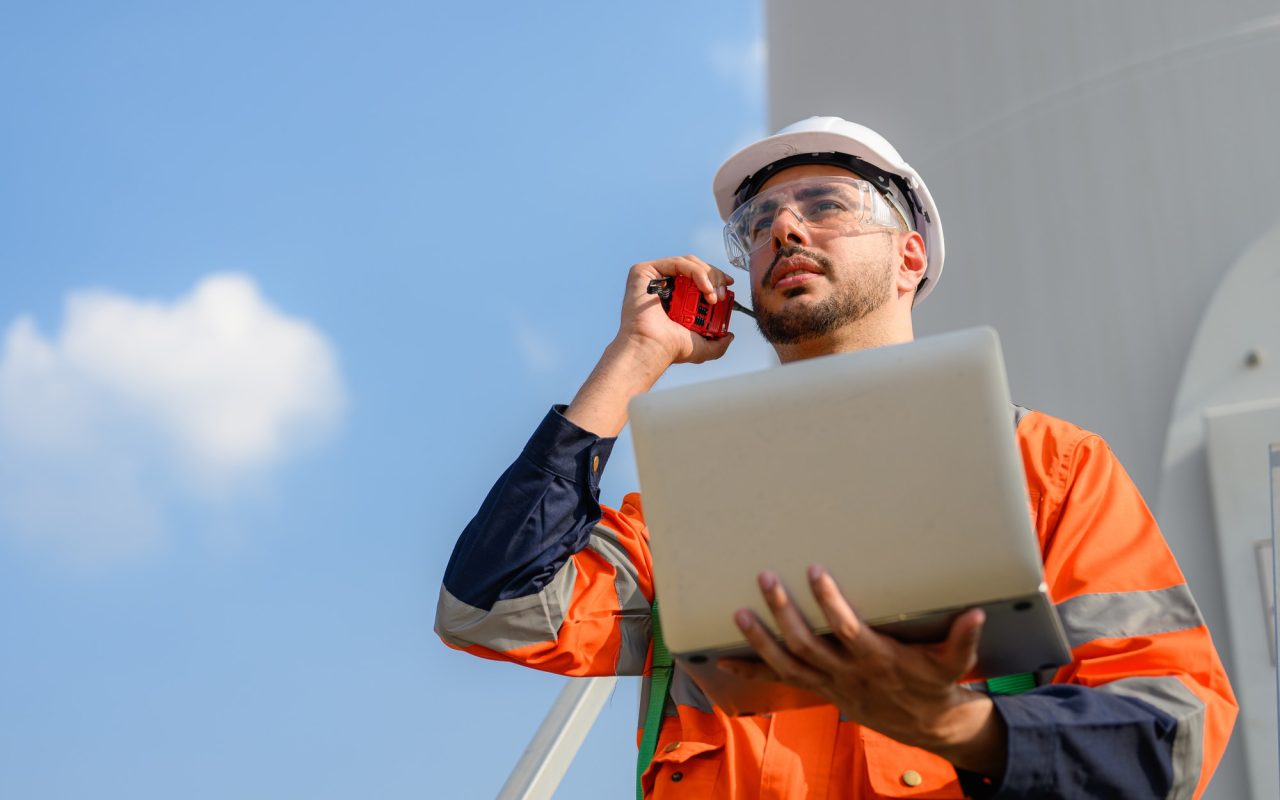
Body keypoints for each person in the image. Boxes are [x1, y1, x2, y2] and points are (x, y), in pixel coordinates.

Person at [436, 117, 1237, 798]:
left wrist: (958, 726)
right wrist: (633, 359)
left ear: (910, 257)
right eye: (759, 223)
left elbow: (1173, 730)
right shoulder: (692, 516)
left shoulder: (1046, 467)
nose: (783, 228)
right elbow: (497, 608)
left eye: (825, 205)